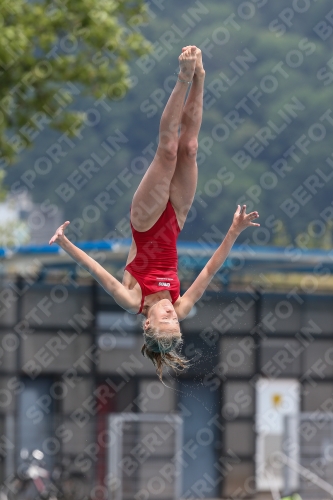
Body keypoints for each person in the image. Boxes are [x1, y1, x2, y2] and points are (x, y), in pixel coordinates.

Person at [49, 46, 260, 380]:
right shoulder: (181, 305)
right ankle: (200, 78)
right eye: (174, 321)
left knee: (168, 151)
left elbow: (98, 272)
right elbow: (208, 273)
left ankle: (182, 77)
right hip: (176, 218)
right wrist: (233, 232)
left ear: (147, 322)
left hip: (146, 222)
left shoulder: (131, 298)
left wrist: (65, 244)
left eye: (166, 319)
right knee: (189, 149)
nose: (172, 315)